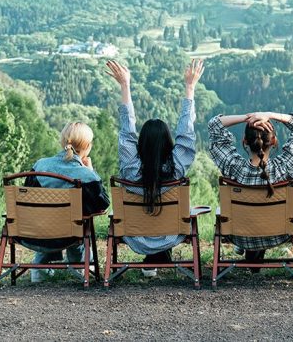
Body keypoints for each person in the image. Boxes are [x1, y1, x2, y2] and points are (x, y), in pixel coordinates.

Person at [105, 58, 204, 277]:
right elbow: (186, 132)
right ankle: (159, 254)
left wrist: (125, 86)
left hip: (135, 236)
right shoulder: (177, 168)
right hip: (171, 233)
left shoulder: (130, 169)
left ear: (140, 145)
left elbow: (126, 130)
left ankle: (154, 256)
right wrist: (190, 88)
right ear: (169, 143)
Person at [207, 109, 293, 264]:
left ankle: (249, 251)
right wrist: (269, 115)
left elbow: (214, 125)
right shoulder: (285, 167)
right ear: (274, 142)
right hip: (278, 235)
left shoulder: (233, 167)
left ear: (245, 141)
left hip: (239, 235)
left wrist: (246, 117)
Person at [23, 121, 110, 282]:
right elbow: (103, 204)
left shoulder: (39, 166)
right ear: (87, 146)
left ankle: (39, 267)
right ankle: (80, 265)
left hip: (37, 232)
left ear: (62, 142)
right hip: (70, 234)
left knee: (49, 220)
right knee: (79, 221)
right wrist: (91, 171)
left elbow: (28, 200)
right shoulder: (86, 176)